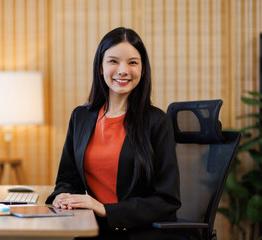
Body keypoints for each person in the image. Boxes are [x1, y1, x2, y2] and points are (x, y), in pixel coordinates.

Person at [46, 27, 181, 240]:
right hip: (95, 228)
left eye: (132, 62)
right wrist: (62, 196)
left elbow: (166, 200)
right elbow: (67, 177)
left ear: (143, 69)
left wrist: (106, 210)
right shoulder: (81, 117)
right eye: (113, 61)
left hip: (141, 232)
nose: (123, 70)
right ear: (100, 67)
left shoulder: (157, 122)